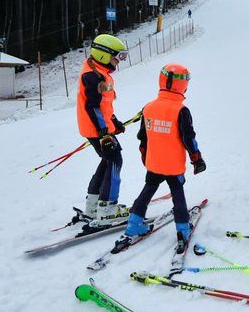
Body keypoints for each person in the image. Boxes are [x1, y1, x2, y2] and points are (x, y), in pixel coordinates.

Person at [118, 63, 205, 250]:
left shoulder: (148, 108)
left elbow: (142, 137)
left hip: (154, 163)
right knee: (177, 194)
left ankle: (133, 226)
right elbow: (188, 139)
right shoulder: (181, 110)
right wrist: (197, 159)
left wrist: (145, 158)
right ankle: (182, 230)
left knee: (147, 191)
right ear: (182, 86)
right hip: (173, 166)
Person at [77, 33, 130, 227]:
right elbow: (93, 107)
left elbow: (105, 105)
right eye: (118, 56)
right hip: (96, 129)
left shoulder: (100, 73)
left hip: (99, 128)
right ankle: (107, 208)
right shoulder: (91, 76)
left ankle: (93, 205)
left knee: (108, 160)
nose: (119, 60)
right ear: (103, 54)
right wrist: (103, 133)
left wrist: (114, 123)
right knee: (115, 159)